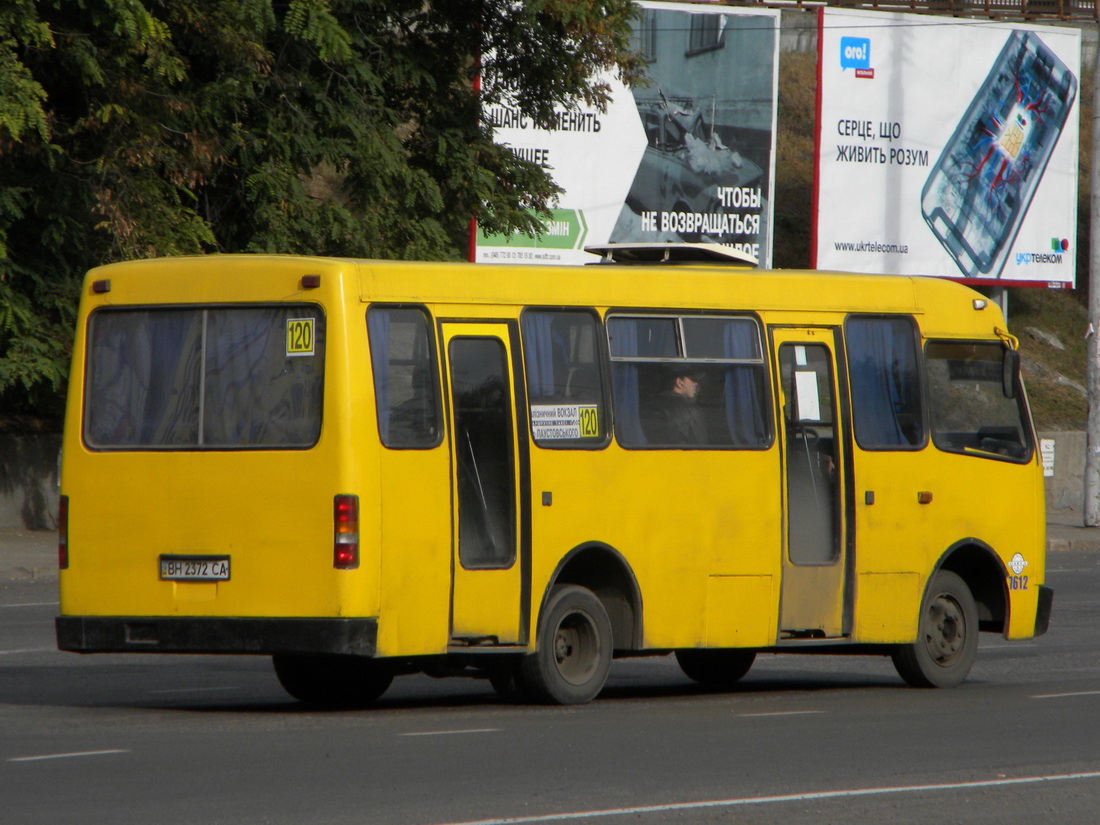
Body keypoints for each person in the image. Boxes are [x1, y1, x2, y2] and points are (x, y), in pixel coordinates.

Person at [646, 367, 707, 445]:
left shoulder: (654, 406)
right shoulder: (686, 410)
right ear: (679, 382)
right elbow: (698, 443)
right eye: (693, 380)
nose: (696, 384)